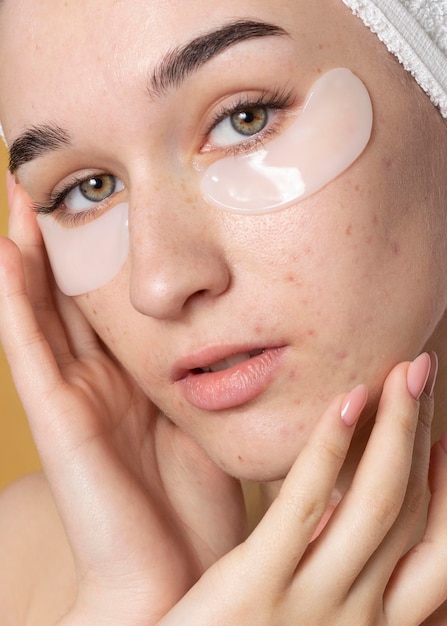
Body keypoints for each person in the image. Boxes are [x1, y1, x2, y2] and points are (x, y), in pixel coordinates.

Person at [0, 0, 446, 623]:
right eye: (87, 189)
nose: (157, 283)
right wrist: (131, 600)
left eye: (244, 119)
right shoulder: (26, 572)